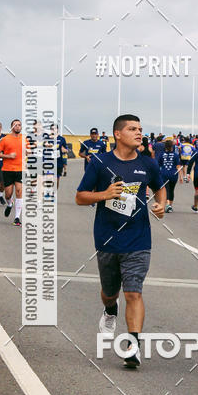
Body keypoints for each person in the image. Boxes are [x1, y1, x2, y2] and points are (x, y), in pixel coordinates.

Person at [75, 114, 166, 369]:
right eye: (132, 129)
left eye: (140, 129)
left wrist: (162, 203)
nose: (139, 133)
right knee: (109, 293)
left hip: (138, 239)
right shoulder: (100, 163)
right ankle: (110, 310)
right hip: (107, 238)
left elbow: (160, 187)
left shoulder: (148, 164)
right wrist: (104, 194)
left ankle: (132, 346)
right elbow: (80, 197)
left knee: (134, 292)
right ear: (117, 134)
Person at [0, 119, 24, 226]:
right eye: (15, 125)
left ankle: (17, 218)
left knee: (19, 191)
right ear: (11, 127)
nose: (17, 127)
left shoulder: (24, 139)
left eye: (19, 125)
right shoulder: (5, 139)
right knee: (8, 194)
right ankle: (9, 204)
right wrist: (8, 156)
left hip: (20, 169)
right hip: (7, 170)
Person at [157, 138, 182, 213]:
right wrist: (181, 176)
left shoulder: (162, 155)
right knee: (171, 190)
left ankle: (168, 204)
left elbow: (159, 166)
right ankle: (170, 205)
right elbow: (178, 166)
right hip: (173, 174)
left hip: (164, 174)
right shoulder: (175, 155)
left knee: (166, 190)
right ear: (172, 147)